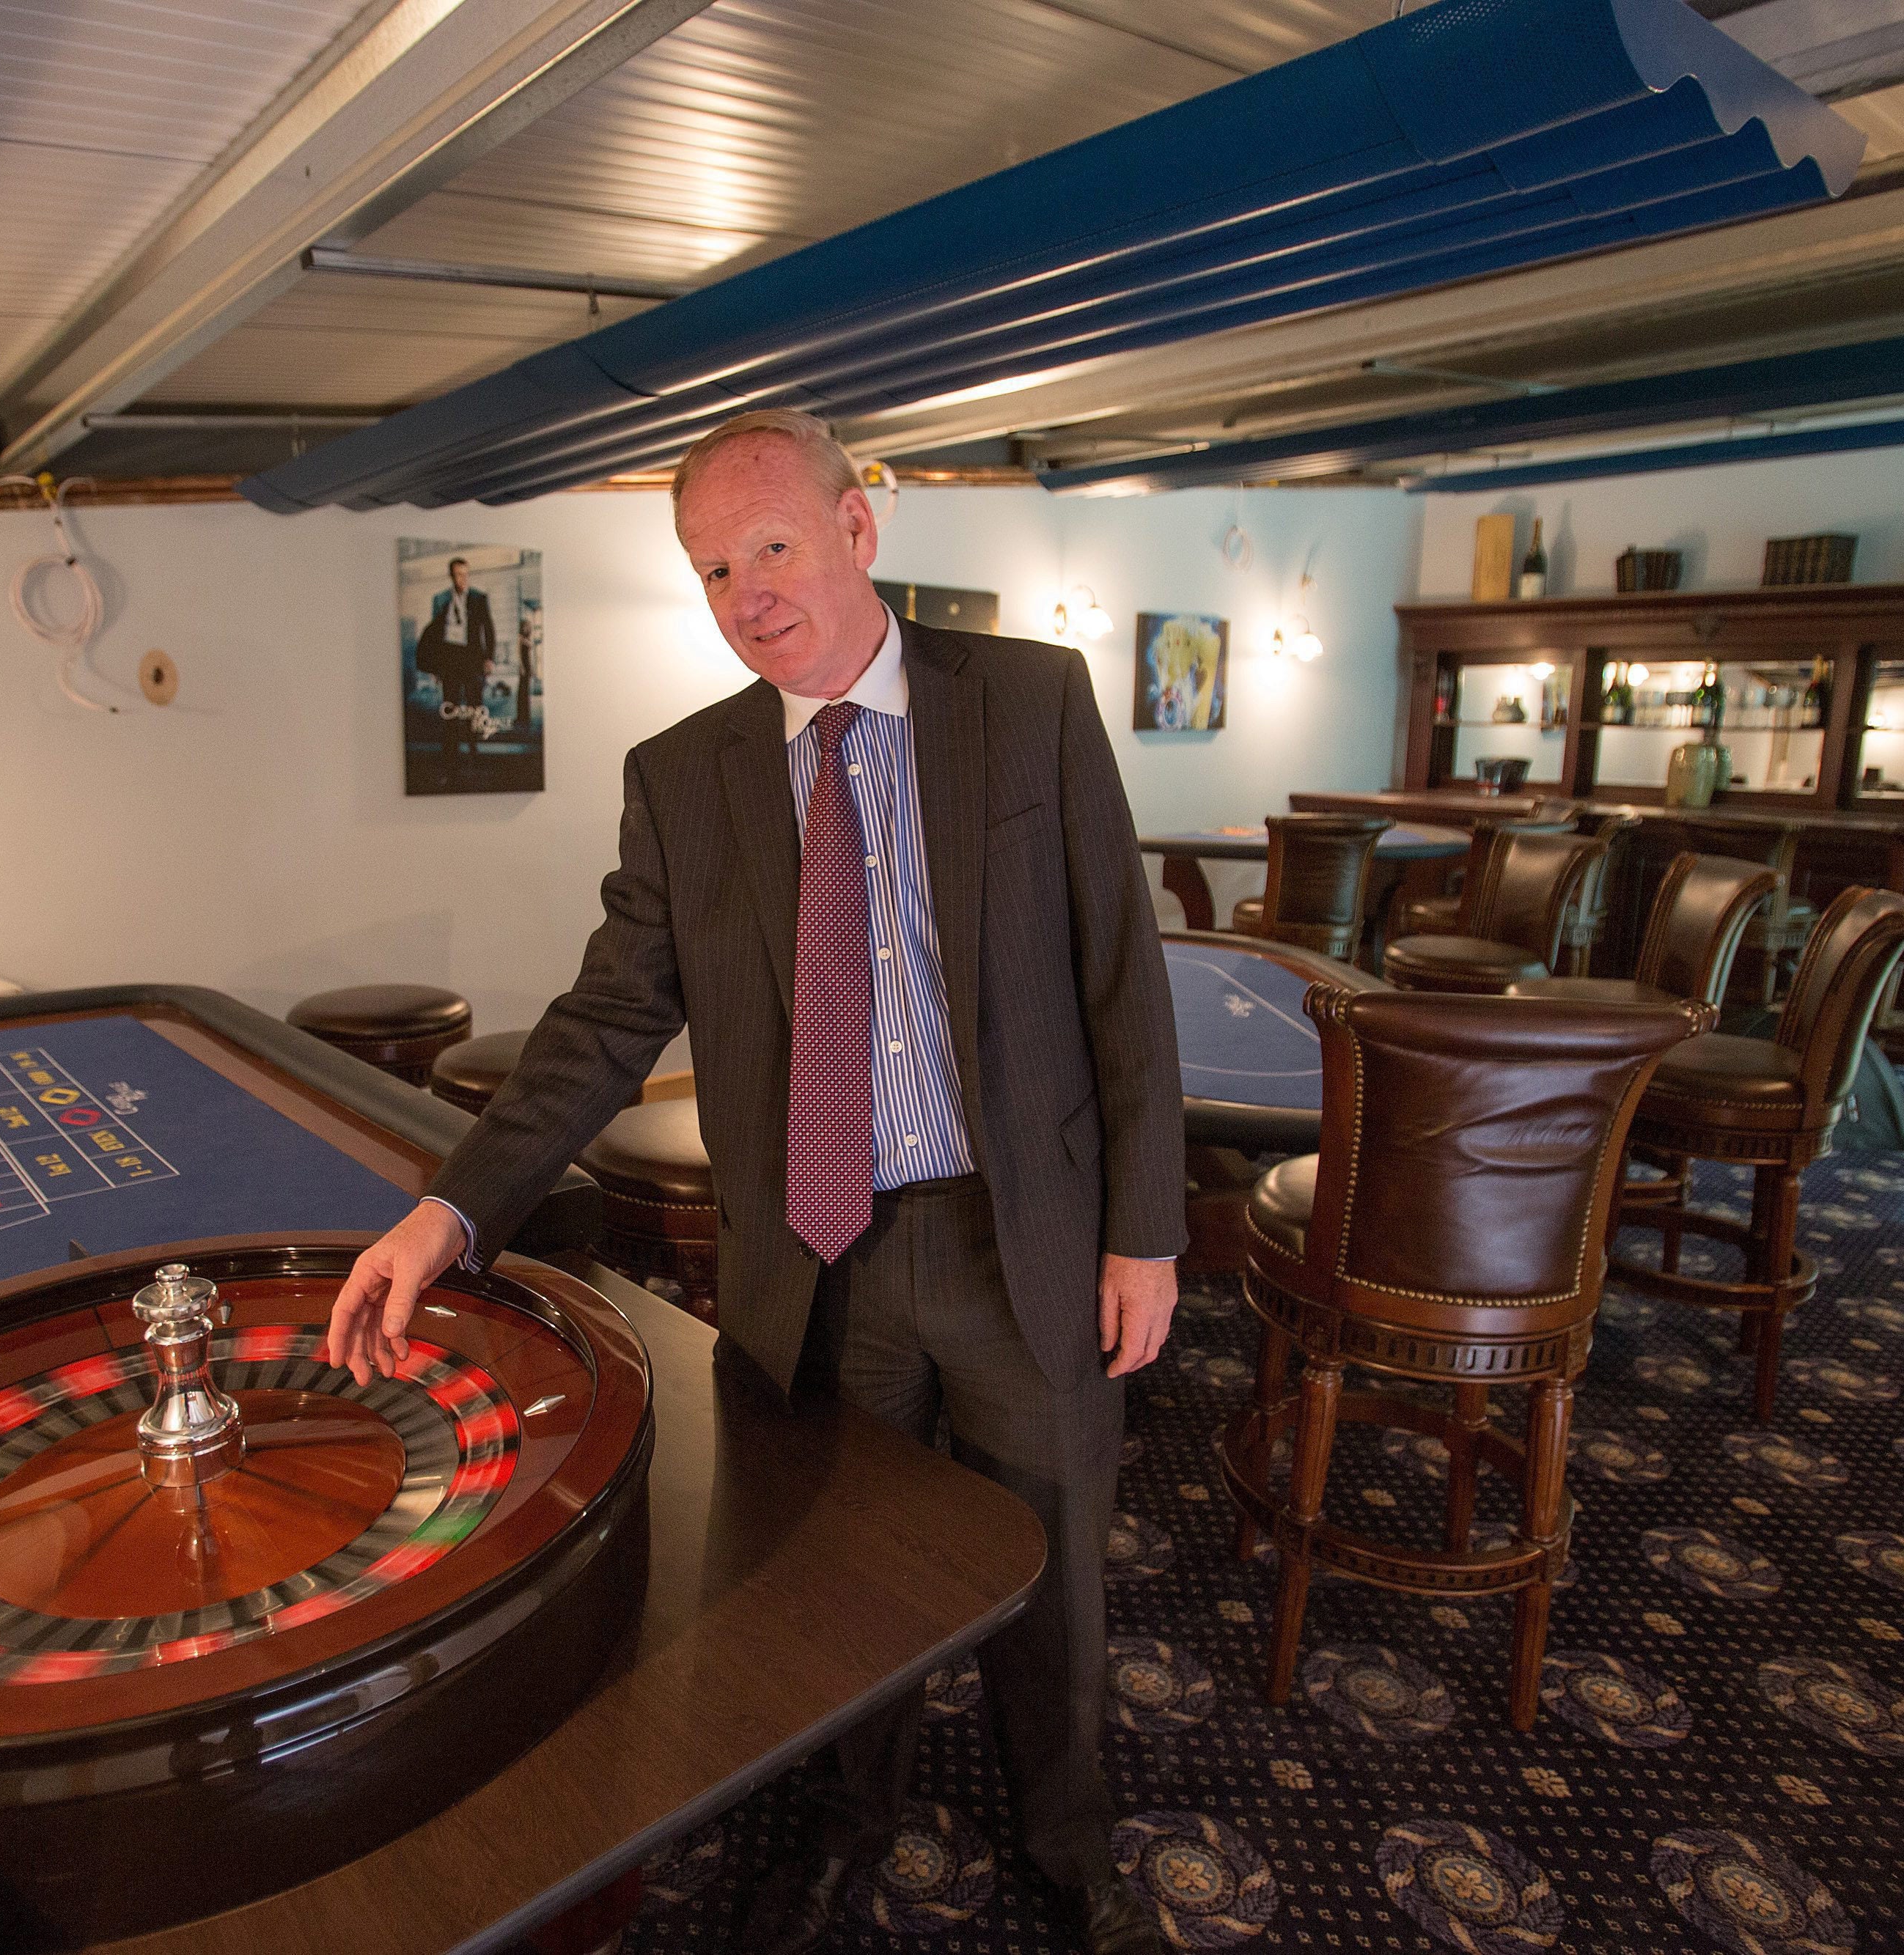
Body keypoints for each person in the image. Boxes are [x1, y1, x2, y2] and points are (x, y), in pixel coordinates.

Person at [326, 409, 1180, 1955]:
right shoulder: (685, 775)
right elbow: (597, 1022)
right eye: (713, 568)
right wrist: (448, 1208)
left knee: (1048, 1589)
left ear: (860, 532)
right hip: (820, 1261)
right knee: (841, 1592)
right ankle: (844, 1828)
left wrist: (1145, 1232)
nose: (745, 594)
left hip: (1021, 1242)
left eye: (770, 548)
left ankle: (1068, 1851)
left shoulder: (1032, 704)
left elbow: (1121, 978)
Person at [417, 556, 496, 761]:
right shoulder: (441, 599)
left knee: (473, 706)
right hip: (449, 658)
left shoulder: (479, 598)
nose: (462, 579)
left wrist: (489, 658)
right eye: (458, 575)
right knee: (450, 706)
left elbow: (488, 629)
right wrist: (435, 667)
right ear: (451, 576)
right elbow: (434, 634)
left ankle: (473, 747)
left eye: (465, 575)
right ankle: (451, 752)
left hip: (472, 659)